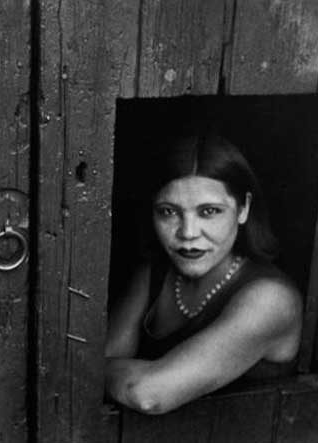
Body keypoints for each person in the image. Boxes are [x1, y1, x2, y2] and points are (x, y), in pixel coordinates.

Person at [105, 135, 302, 415]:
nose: (188, 233)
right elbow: (100, 362)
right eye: (168, 212)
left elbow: (148, 394)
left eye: (209, 211)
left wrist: (113, 372)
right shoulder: (155, 273)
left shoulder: (271, 300)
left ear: (243, 208)